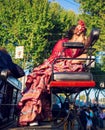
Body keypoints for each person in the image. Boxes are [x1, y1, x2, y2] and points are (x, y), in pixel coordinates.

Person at [18, 20, 90, 126]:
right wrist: (73, 61)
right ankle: (33, 115)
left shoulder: (80, 49)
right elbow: (53, 60)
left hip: (66, 69)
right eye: (83, 36)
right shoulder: (62, 43)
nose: (85, 39)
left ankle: (36, 115)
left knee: (42, 77)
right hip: (56, 66)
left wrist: (74, 60)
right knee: (40, 77)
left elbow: (84, 57)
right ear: (77, 33)